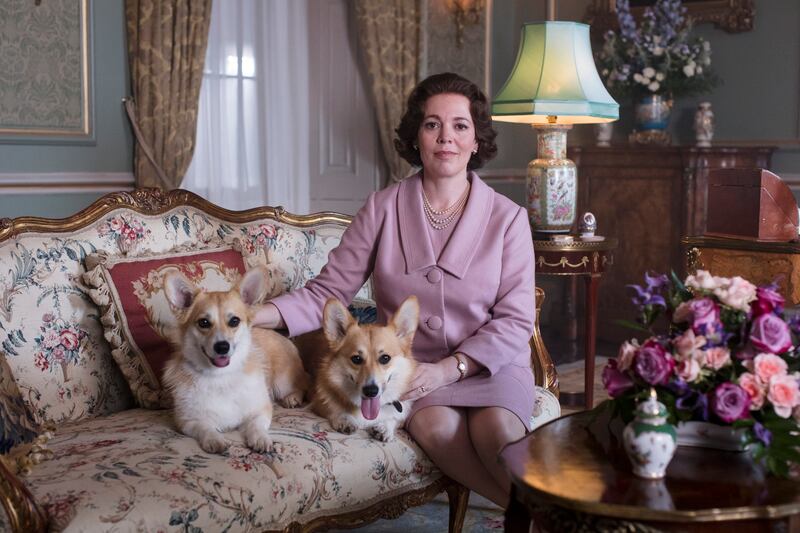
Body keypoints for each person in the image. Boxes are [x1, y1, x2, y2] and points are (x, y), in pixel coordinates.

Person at [253, 72, 535, 507]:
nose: (446, 137)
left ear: (476, 140)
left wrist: (451, 368)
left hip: (491, 366)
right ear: (416, 137)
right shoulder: (381, 208)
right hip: (411, 373)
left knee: (496, 433)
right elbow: (327, 292)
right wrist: (252, 316)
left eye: (460, 125)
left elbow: (516, 320)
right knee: (437, 429)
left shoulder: (509, 218)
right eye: (432, 124)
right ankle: (540, 519)